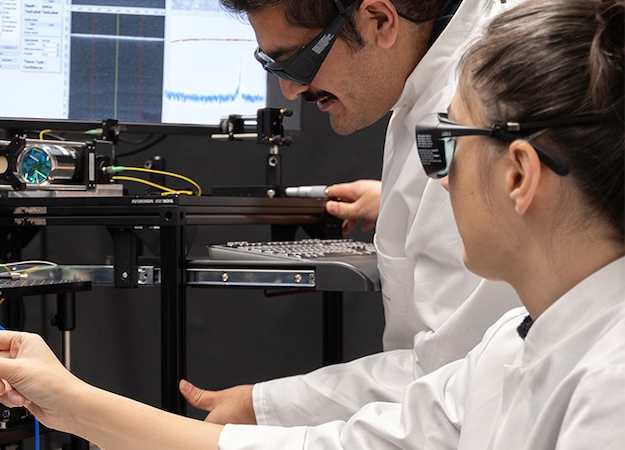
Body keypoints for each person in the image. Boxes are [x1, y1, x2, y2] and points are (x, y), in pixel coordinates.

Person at [0, 2, 625, 447]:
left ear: (518, 176)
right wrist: (70, 401)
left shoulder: (609, 384)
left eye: (442, 149)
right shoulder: (515, 342)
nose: (434, 183)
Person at [179, 0, 524, 426]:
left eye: (298, 63)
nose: (290, 91)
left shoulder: (480, 101)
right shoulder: (434, 72)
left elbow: (449, 384)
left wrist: (264, 408)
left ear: (379, 20)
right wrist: (399, 203)